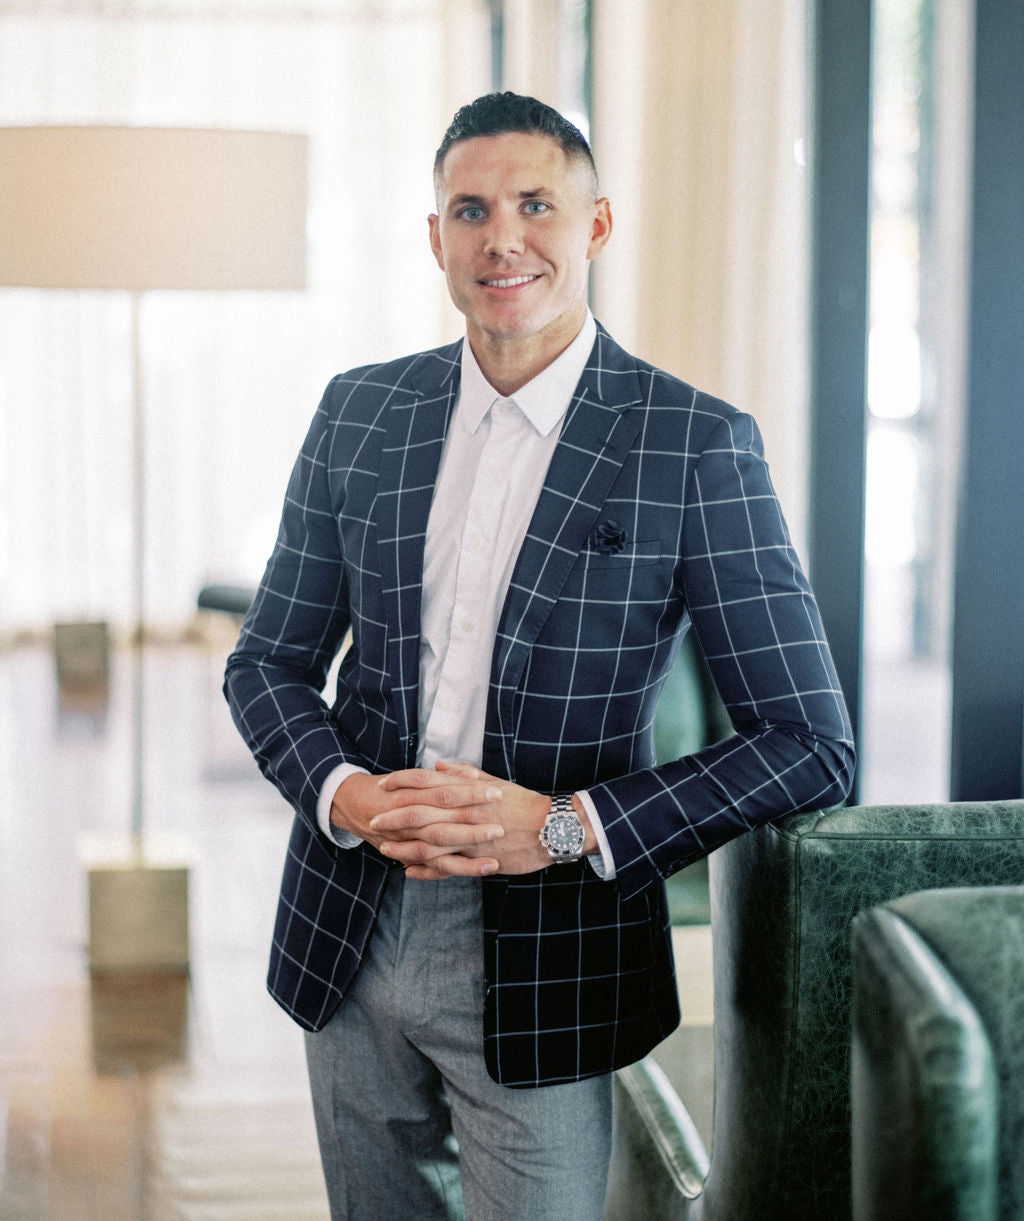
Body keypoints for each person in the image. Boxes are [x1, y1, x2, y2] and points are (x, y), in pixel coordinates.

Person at [225, 92, 854, 1220]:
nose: (501, 238)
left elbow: (809, 746)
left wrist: (561, 826)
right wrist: (346, 795)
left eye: (535, 205)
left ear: (597, 224)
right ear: (436, 238)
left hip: (554, 950)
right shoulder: (359, 413)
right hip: (347, 927)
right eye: (470, 211)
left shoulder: (694, 445)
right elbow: (266, 663)